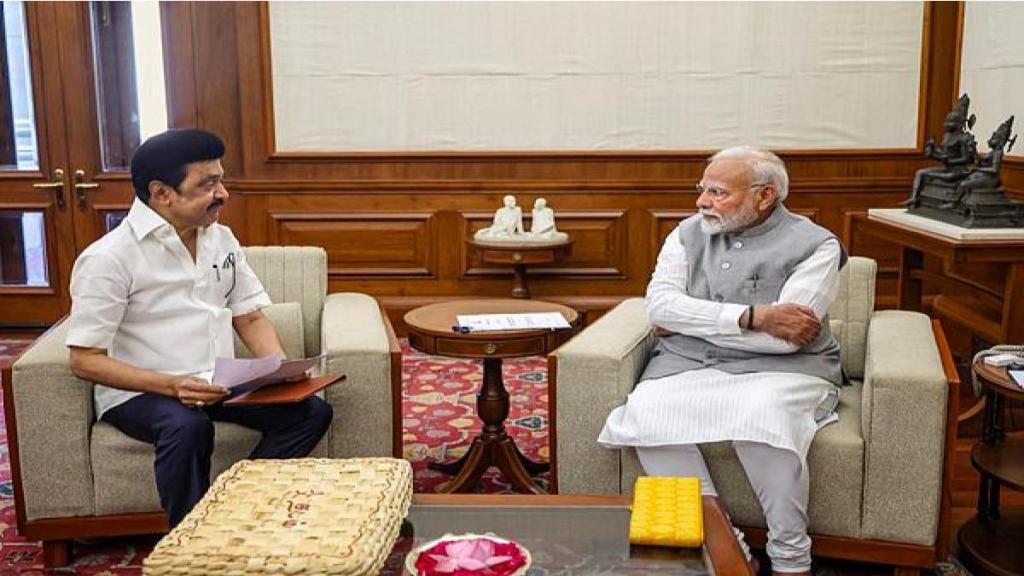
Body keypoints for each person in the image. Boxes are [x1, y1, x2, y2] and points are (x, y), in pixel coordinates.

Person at [66, 129, 333, 527]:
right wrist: (172, 385)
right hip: (142, 392)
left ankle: (231, 513)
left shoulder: (220, 238)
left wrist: (279, 371)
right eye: (208, 184)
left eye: (220, 179)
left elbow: (250, 316)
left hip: (215, 382)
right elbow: (85, 360)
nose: (223, 192)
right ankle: (187, 539)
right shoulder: (109, 259)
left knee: (310, 411)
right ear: (161, 193)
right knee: (187, 427)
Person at [599, 146, 846, 575]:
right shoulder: (686, 234)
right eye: (702, 190)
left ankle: (792, 560)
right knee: (648, 412)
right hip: (687, 364)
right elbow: (659, 308)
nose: (701, 202)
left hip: (784, 371)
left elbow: (787, 342)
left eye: (717, 192)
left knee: (762, 418)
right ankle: (727, 550)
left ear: (765, 196)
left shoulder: (818, 246)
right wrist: (753, 317)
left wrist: (691, 320)